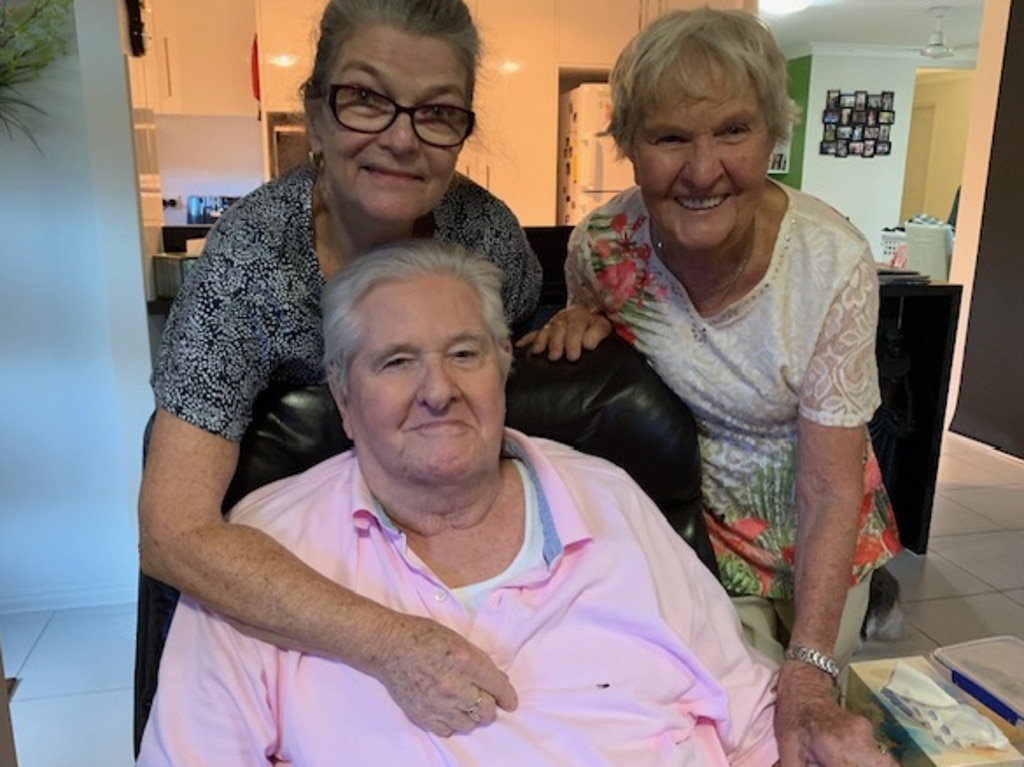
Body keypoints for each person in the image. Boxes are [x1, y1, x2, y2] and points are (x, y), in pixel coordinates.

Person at [137, 240, 779, 766]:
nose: (438, 391)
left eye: (465, 354)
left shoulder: (610, 498)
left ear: (504, 365)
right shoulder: (260, 551)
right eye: (395, 362)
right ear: (342, 395)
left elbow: (752, 720)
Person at [139, 0, 543, 737]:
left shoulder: (489, 239)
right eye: (365, 99)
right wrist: (389, 643)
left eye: (438, 112)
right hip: (303, 589)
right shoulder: (247, 264)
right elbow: (170, 531)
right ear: (317, 114)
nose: (401, 138)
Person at [520, 9, 900, 767]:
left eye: (733, 131)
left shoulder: (832, 265)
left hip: (821, 546)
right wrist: (577, 319)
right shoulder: (601, 249)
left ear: (771, 135)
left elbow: (831, 489)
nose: (702, 170)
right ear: (627, 145)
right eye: (669, 138)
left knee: (782, 723)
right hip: (687, 543)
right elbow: (599, 336)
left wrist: (811, 662)